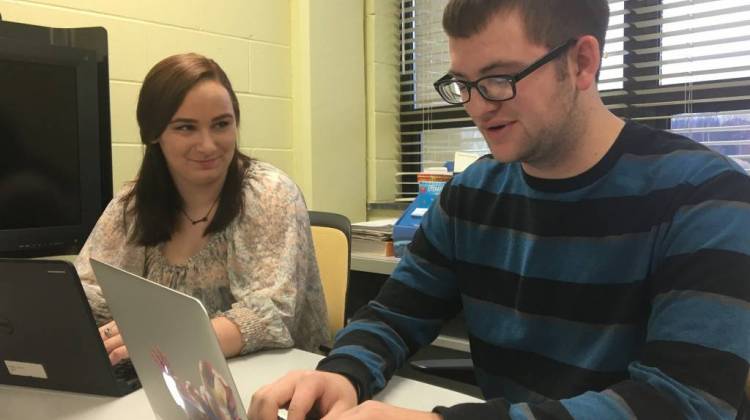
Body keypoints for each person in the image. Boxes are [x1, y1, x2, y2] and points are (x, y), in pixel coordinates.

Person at [248, 0, 750, 419]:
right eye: (464, 83)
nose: (477, 106)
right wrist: (343, 374)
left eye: (499, 78)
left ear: (582, 62)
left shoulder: (708, 196)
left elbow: (686, 402)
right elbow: (393, 315)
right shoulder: (471, 195)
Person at [75, 53, 329, 365]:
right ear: (154, 134)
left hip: (273, 380)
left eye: (221, 124)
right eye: (186, 128)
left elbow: (270, 316)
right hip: (168, 372)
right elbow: (89, 291)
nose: (208, 145)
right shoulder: (134, 204)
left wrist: (166, 336)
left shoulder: (269, 193)